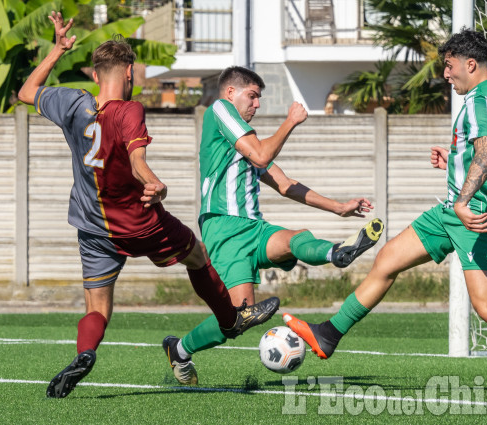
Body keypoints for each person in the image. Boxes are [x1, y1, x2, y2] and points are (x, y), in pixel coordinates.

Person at [282, 29, 487, 397]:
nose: (445, 74)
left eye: (449, 65)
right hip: (454, 211)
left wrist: (462, 198)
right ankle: (328, 334)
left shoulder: (479, 102)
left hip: (472, 213)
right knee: (388, 258)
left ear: (470, 64)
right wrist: (456, 162)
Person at [17, 12, 279, 398]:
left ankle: (86, 353)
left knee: (98, 306)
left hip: (92, 228)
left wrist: (56, 51)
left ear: (94, 76)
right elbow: (136, 156)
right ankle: (231, 319)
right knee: (197, 256)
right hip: (141, 223)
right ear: (129, 73)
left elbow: (26, 92)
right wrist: (151, 182)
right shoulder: (129, 110)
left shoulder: (71, 103)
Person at [161, 66, 384, 383]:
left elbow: (285, 184)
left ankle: (338, 252)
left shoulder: (245, 144)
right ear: (230, 93)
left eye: (259, 98)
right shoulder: (219, 109)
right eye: (252, 96)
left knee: (294, 238)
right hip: (224, 230)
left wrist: (339, 207)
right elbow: (263, 156)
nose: (257, 104)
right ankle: (180, 349)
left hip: (254, 228)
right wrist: (290, 121)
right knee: (236, 321)